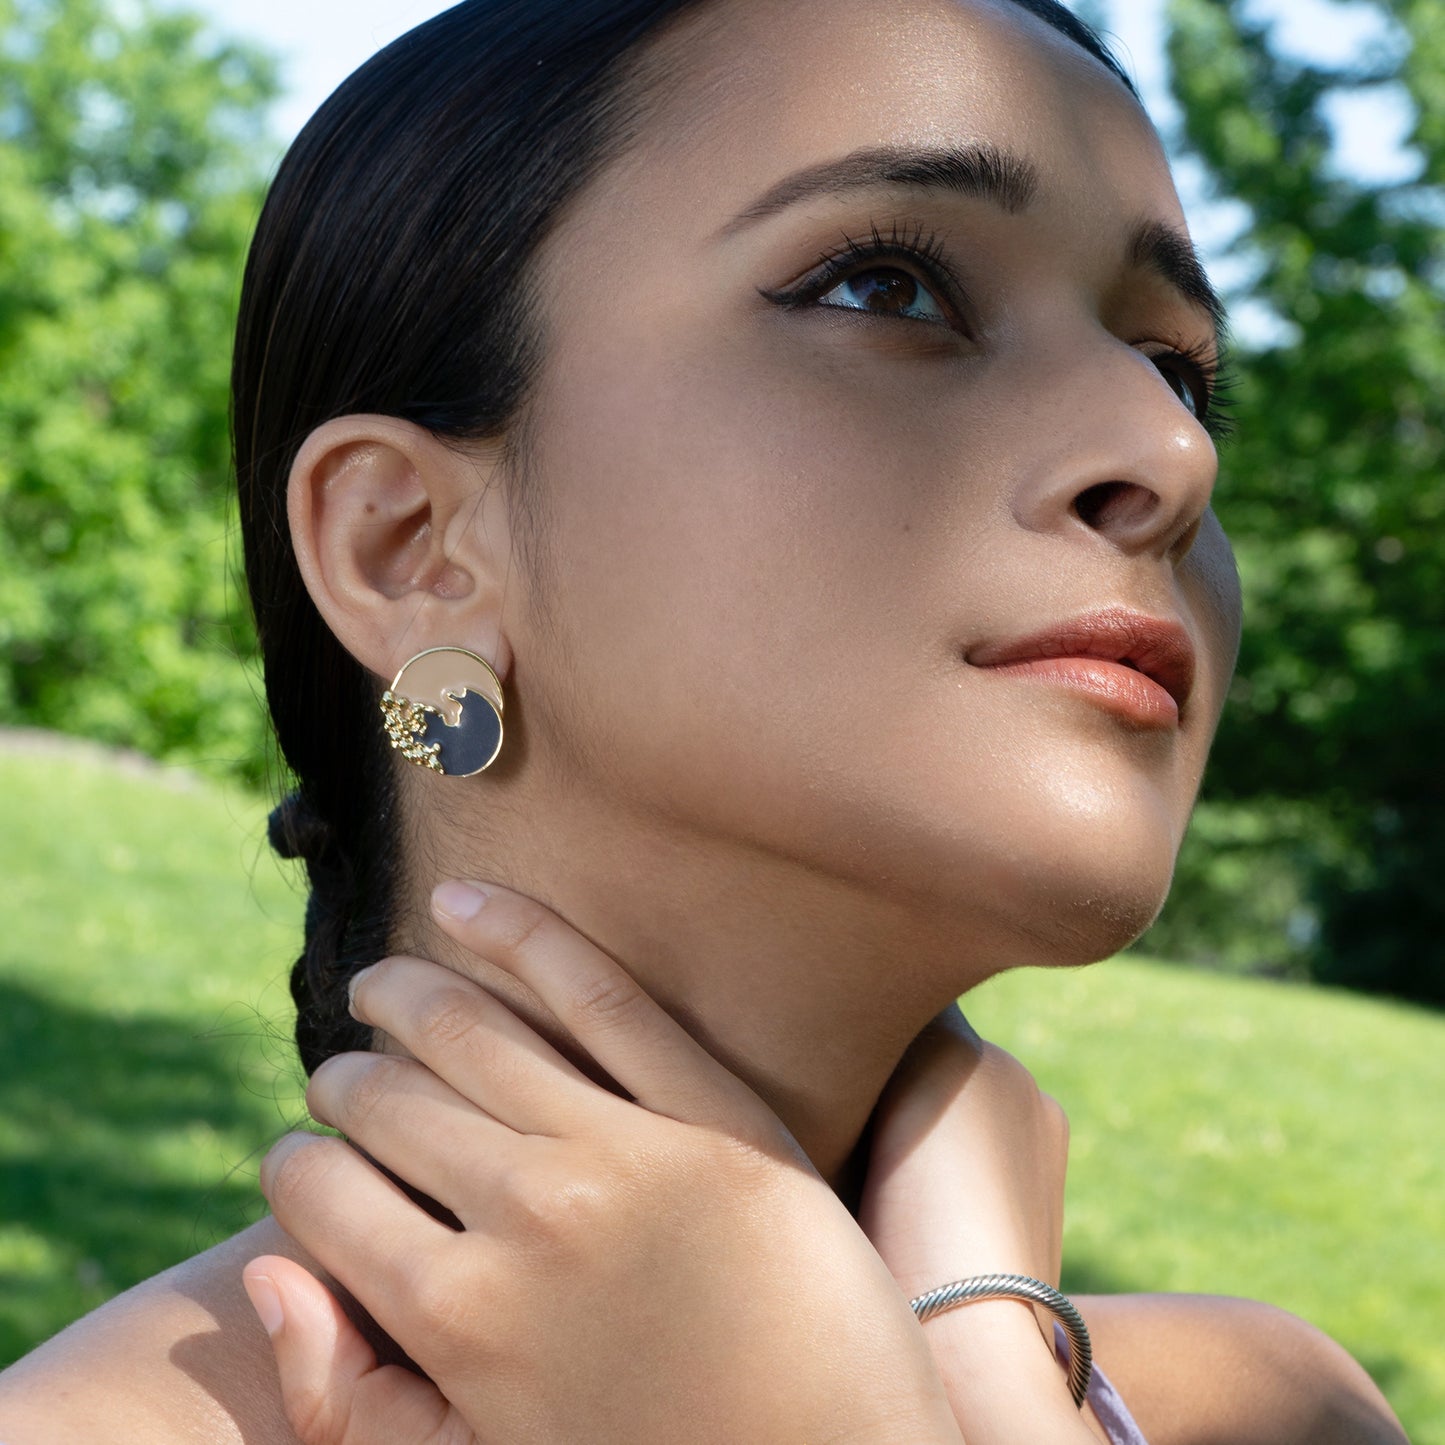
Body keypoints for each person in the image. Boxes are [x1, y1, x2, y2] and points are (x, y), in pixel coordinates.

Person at [0, 0, 1411, 1440]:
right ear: (406, 547)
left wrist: (967, 1370)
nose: (1167, 450)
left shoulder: (1270, 1409)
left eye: (1175, 367)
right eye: (885, 287)